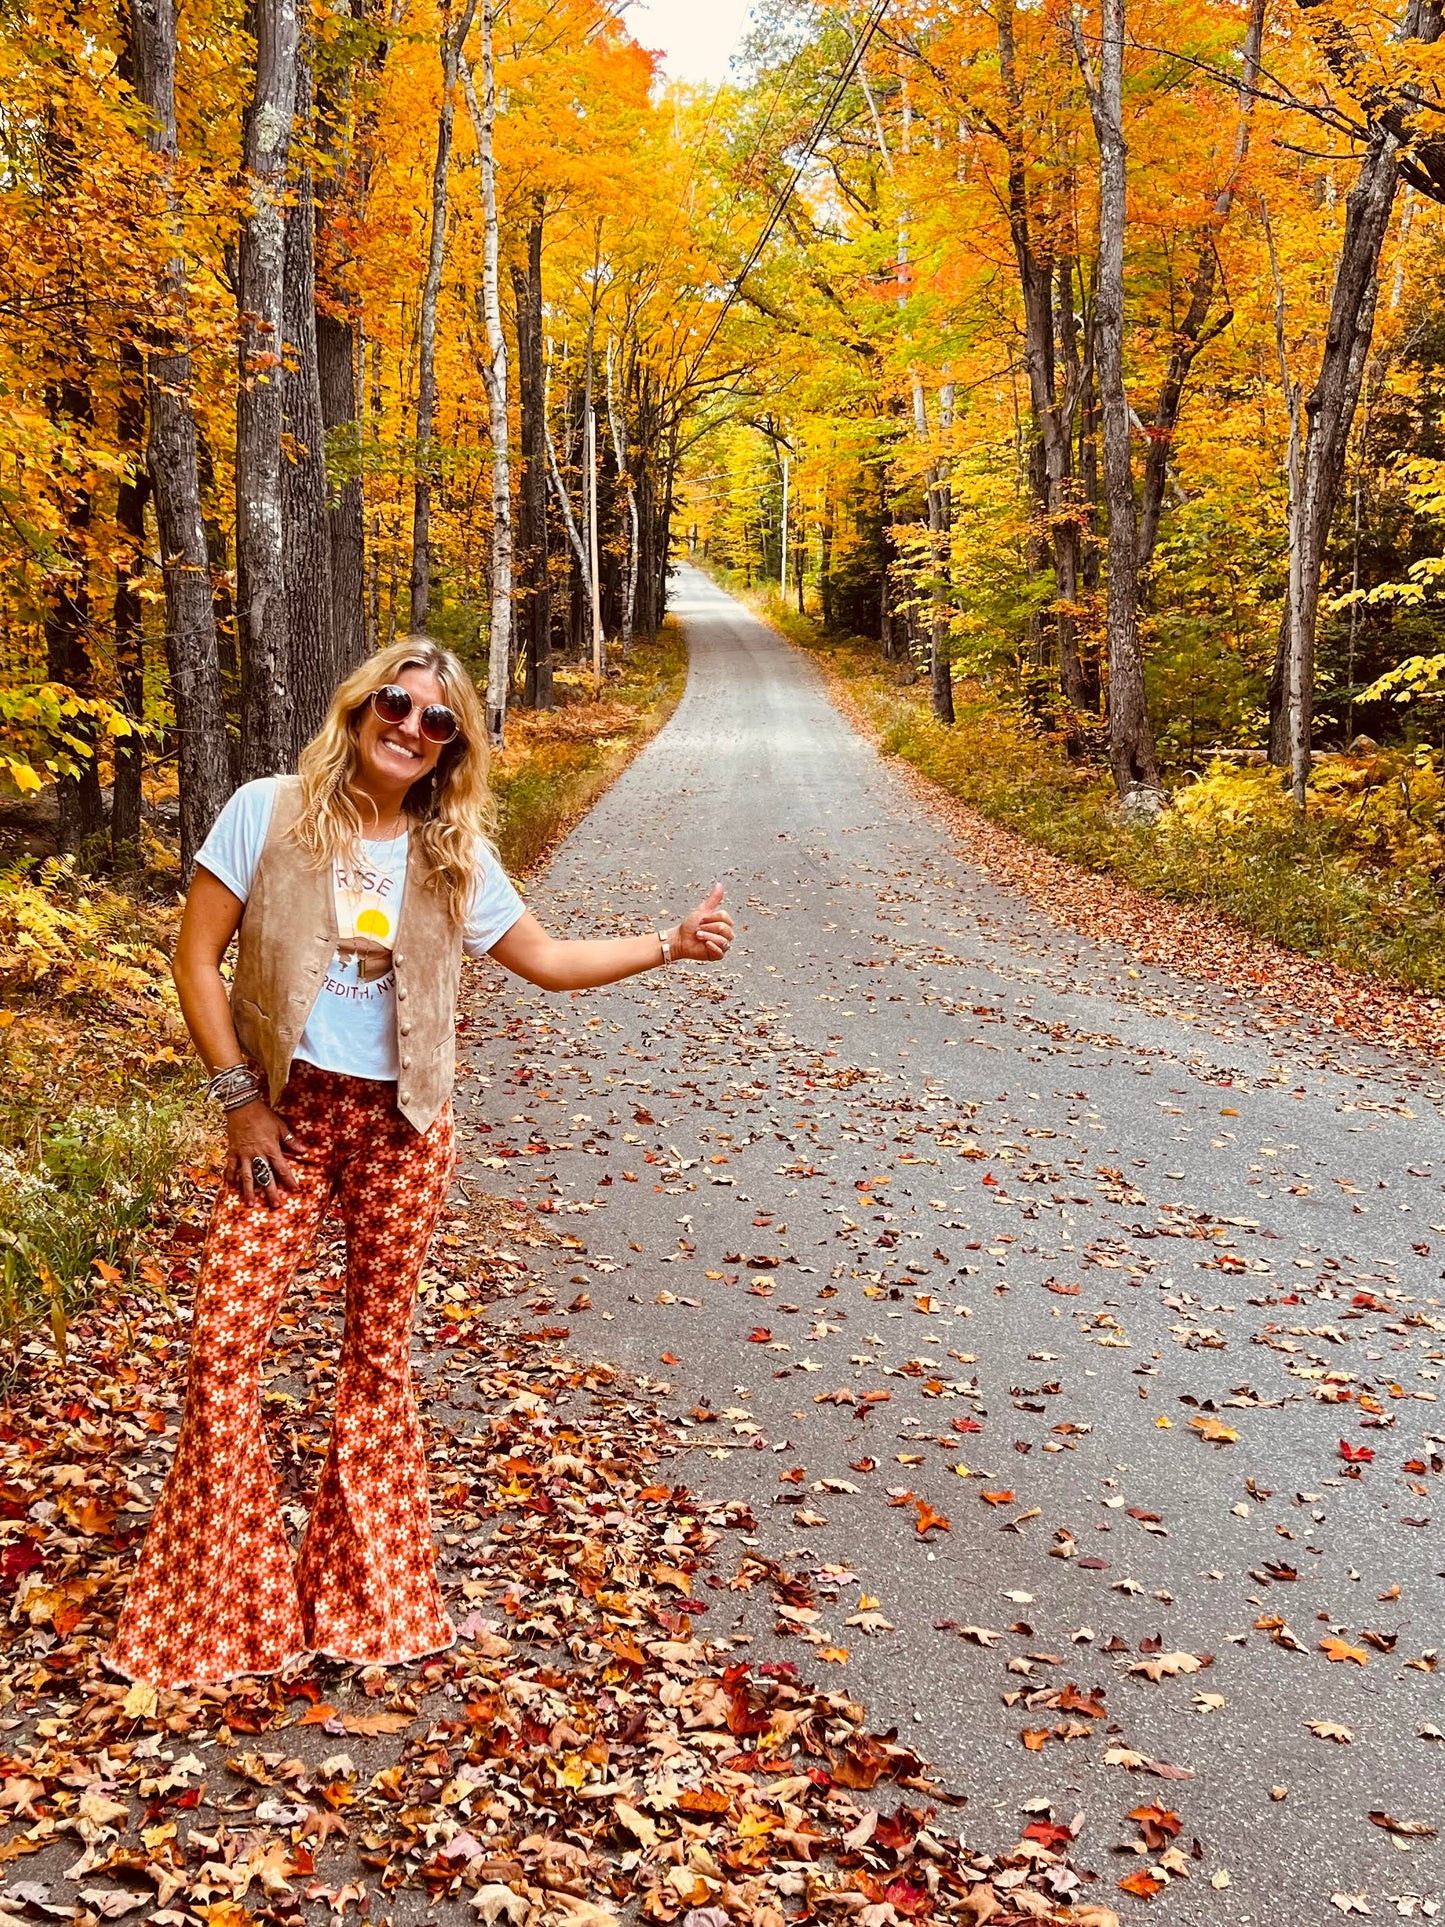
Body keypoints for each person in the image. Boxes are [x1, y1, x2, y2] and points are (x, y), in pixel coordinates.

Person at [108, 639, 733, 1688]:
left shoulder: (453, 853)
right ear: (360, 707)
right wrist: (238, 1103)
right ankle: (227, 1612)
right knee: (221, 1345)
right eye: (395, 704)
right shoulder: (267, 811)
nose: (409, 727)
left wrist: (666, 944)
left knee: (374, 1357)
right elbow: (195, 957)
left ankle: (366, 1601)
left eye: (435, 720)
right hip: (284, 1115)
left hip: (403, 1127)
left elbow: (545, 959)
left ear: (452, 746)